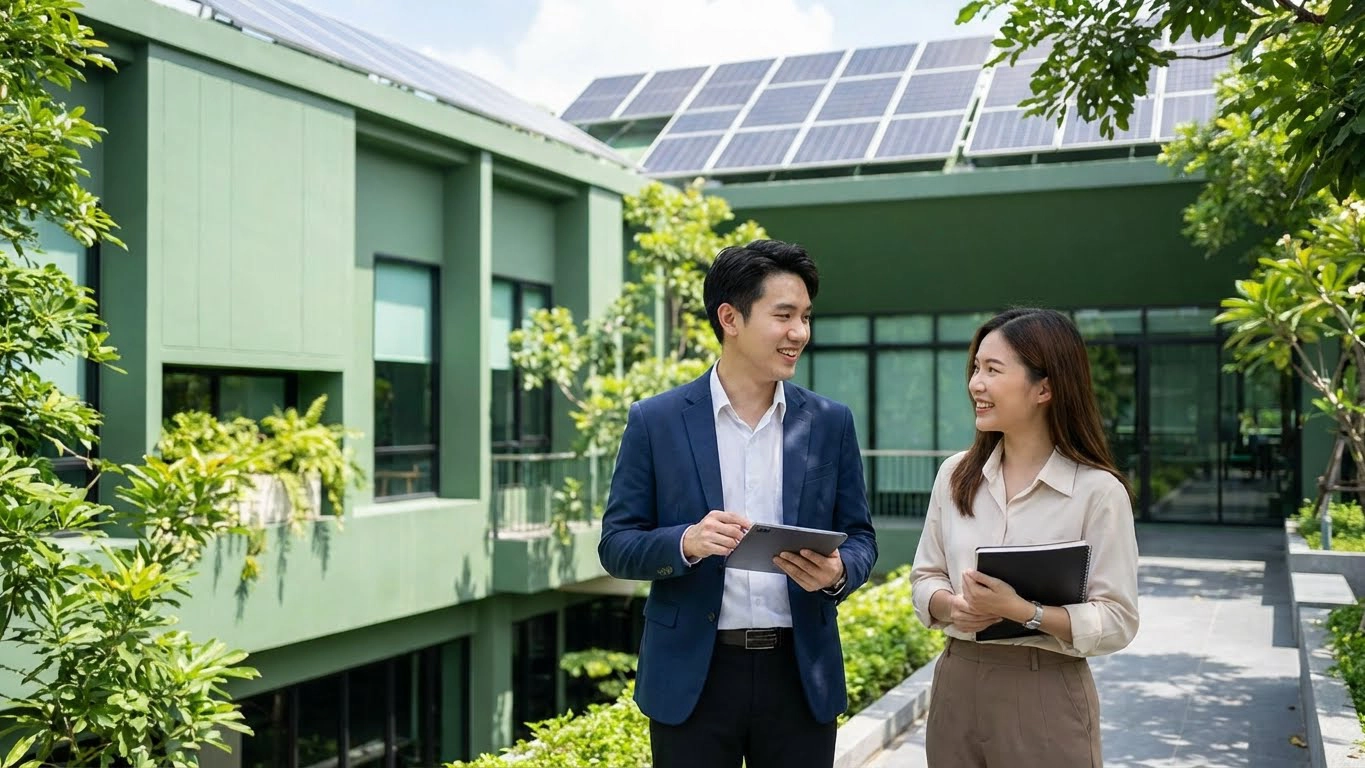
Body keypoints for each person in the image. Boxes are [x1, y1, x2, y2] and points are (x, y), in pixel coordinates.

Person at [598, 239, 878, 768]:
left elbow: (861, 537)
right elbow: (617, 544)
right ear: (730, 317)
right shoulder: (655, 421)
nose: (800, 332)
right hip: (694, 682)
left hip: (800, 675)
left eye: (805, 317)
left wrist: (839, 572)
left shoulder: (828, 422)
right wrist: (688, 541)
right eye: (784, 315)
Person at [910, 307, 1139, 768]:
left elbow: (1118, 620)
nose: (976, 383)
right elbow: (925, 575)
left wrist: (1024, 613)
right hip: (957, 681)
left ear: (1045, 388)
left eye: (993, 369)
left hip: (1045, 690)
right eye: (976, 368)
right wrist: (948, 606)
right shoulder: (955, 476)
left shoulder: (1097, 492)